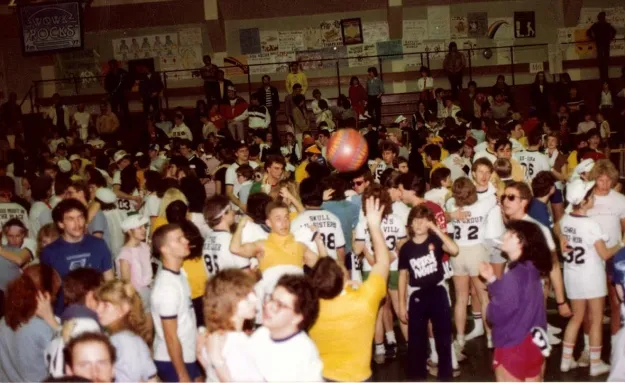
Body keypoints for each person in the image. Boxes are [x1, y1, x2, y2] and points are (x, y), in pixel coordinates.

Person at [479, 220, 552, 382]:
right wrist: (492, 279)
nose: (504, 236)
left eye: (510, 234)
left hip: (513, 343)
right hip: (536, 341)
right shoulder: (532, 269)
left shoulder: (513, 276)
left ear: (522, 242)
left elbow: (495, 315)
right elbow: (517, 298)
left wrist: (490, 306)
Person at [559, 179, 617, 376]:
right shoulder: (591, 224)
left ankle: (566, 361)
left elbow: (559, 228)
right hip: (591, 277)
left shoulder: (566, 220)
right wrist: (622, 243)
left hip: (572, 275)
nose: (593, 198)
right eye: (590, 196)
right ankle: (595, 363)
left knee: (576, 318)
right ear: (583, 202)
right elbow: (605, 254)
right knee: (597, 319)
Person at [397, 204, 458, 380]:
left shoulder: (435, 240)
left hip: (438, 290)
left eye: (423, 221)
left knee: (443, 337)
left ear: (429, 223)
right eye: (415, 220)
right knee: (417, 342)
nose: (419, 225)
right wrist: (401, 305)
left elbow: (454, 250)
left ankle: (446, 375)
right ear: (410, 223)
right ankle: (417, 377)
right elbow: (402, 276)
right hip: (417, 294)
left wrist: (436, 229)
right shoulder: (407, 248)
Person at [447, 177, 504, 350]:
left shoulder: (451, 205)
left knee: (461, 298)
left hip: (457, 253)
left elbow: (448, 206)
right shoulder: (482, 205)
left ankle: (460, 338)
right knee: (484, 297)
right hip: (477, 252)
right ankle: (489, 337)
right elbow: (498, 194)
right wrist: (494, 181)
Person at [41, 199, 114, 314]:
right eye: (70, 219)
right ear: (60, 224)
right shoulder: (49, 252)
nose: (77, 223)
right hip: (65, 315)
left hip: (96, 314)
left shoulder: (99, 244)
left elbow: (110, 281)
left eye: (80, 217)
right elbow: (47, 292)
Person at [150, 224, 201, 382]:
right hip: (172, 360)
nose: (186, 240)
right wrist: (182, 375)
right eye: (179, 239)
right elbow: (170, 336)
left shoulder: (180, 275)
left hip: (186, 354)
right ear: (164, 249)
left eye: (183, 237)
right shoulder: (167, 287)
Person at [249, 274, 322, 381]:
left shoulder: (301, 354)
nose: (269, 306)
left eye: (279, 305)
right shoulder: (262, 333)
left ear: (297, 318)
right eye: (271, 298)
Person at [196, 269, 263, 382]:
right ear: (227, 302)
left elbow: (210, 371)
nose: (255, 299)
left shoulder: (211, 335)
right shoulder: (236, 342)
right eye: (246, 297)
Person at [0, 264, 61, 382]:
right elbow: (67, 356)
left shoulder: (4, 321)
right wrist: (53, 323)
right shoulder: (43, 327)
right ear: (46, 295)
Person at [95, 280, 157, 382]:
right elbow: (151, 378)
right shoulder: (134, 338)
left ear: (124, 309)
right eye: (98, 304)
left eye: (105, 305)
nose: (98, 310)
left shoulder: (119, 341)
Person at [291, 178, 346, 263]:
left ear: (302, 196)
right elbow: (340, 250)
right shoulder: (334, 218)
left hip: (309, 271)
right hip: (332, 270)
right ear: (321, 195)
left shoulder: (297, 222)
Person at [203, 195, 250, 275]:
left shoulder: (208, 238)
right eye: (231, 209)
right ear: (224, 214)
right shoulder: (230, 240)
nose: (233, 212)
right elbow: (246, 272)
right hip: (233, 285)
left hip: (215, 285)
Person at [117, 214, 153, 309]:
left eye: (144, 227)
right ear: (129, 231)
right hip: (136, 296)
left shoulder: (145, 247)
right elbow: (126, 283)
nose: (144, 230)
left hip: (148, 292)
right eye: (139, 228)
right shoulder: (125, 254)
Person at [587, 12, 617, 81]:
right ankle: (605, 78)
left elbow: (588, 32)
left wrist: (593, 38)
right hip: (604, 45)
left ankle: (603, 79)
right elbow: (614, 31)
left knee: (602, 63)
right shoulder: (606, 25)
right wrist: (610, 38)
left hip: (601, 45)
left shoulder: (597, 25)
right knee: (604, 63)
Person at [257, 75, 280, 141]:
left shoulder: (274, 89)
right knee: (265, 125)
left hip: (272, 109)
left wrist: (277, 109)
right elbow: (259, 101)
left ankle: (275, 140)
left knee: (273, 125)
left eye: (267, 80)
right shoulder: (260, 90)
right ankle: (265, 139)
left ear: (269, 80)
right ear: (262, 81)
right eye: (264, 80)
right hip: (264, 110)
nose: (266, 81)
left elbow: (277, 100)